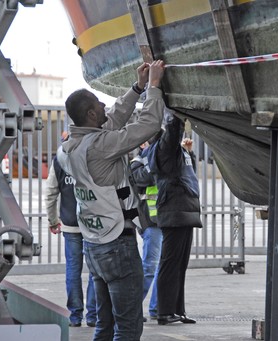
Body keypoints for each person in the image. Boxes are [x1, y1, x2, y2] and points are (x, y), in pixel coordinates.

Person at [57, 60, 166, 340]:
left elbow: (112, 119)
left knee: (105, 326)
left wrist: (136, 88)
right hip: (117, 245)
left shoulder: (70, 148)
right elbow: (149, 124)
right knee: (128, 327)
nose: (104, 106)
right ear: (92, 115)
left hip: (94, 244)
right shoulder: (101, 147)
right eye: (98, 104)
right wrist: (153, 87)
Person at [146, 111, 203, 325]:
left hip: (183, 211)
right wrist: (176, 113)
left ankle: (177, 310)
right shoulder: (163, 149)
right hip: (175, 211)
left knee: (180, 264)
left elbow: (188, 174)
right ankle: (165, 311)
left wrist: (190, 153)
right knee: (170, 263)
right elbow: (172, 131)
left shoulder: (173, 152)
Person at [45, 152, 97, 328]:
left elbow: (51, 192)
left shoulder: (60, 160)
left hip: (70, 223)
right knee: (95, 270)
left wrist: (53, 220)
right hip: (93, 223)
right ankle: (93, 315)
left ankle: (75, 316)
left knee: (73, 269)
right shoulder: (93, 155)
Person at [130, 136, 163, 321]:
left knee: (162, 267)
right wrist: (154, 160)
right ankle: (132, 308)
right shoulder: (137, 162)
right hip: (150, 222)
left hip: (166, 219)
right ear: (143, 144)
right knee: (149, 267)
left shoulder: (163, 158)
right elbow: (143, 179)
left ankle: (158, 308)